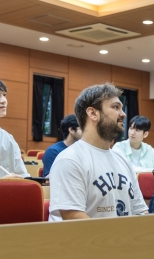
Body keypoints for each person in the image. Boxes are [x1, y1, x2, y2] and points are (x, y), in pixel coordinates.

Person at [49, 83, 148, 220]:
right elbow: (73, 217)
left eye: (122, 108)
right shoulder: (70, 160)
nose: (123, 114)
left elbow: (140, 211)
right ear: (93, 113)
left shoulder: (123, 160)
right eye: (115, 107)